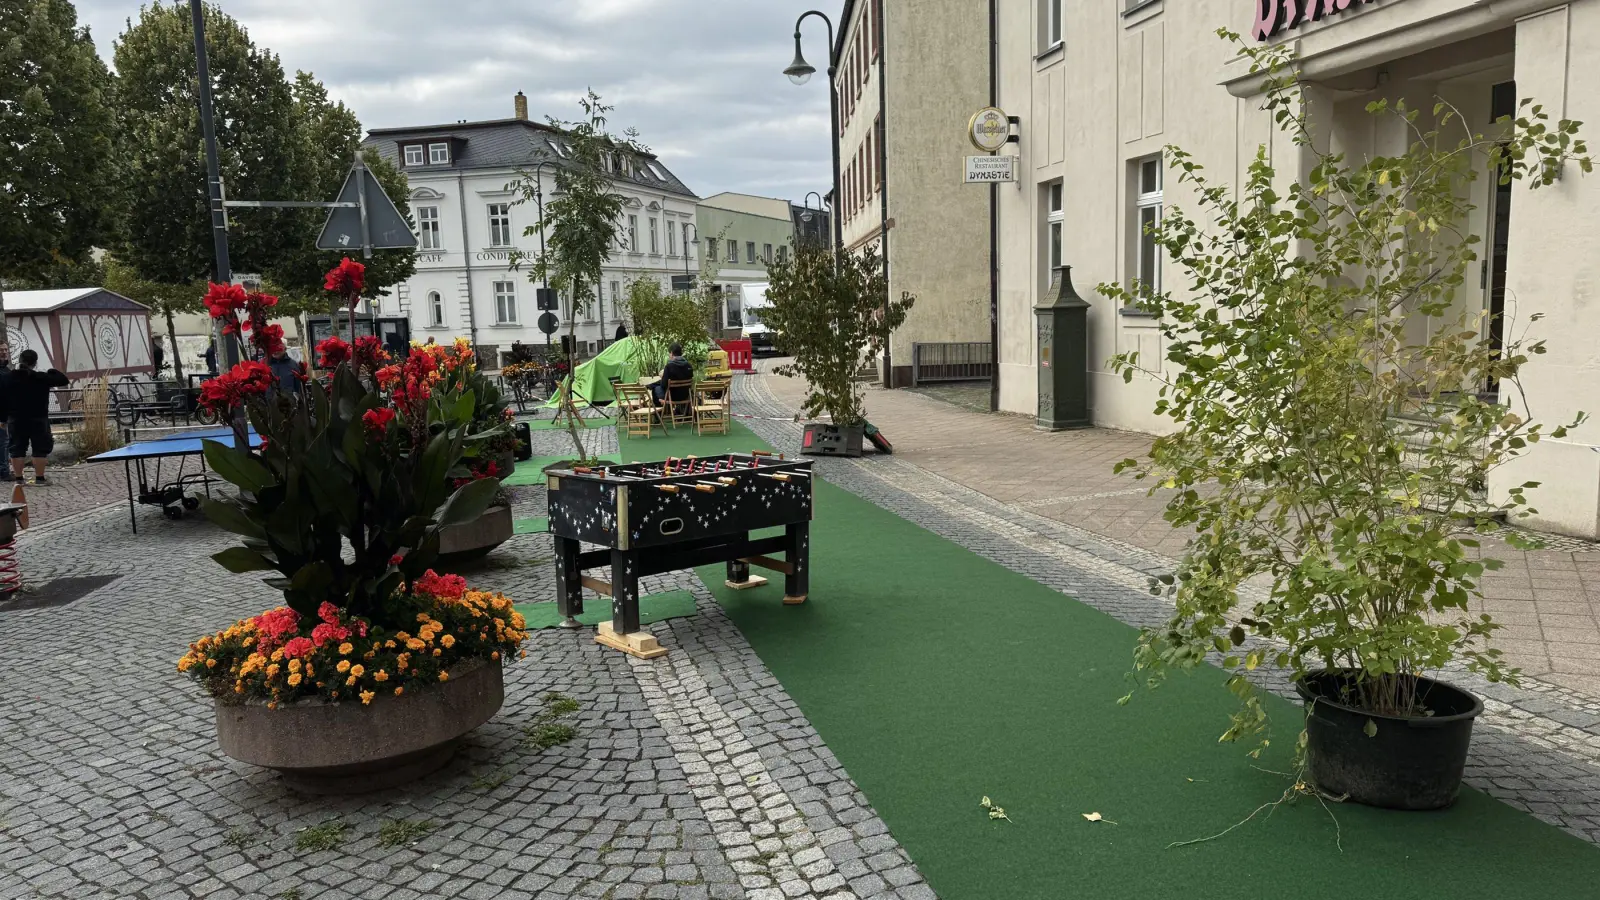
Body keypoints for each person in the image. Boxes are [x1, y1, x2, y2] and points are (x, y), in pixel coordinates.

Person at [7, 350, 68, 485]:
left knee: (17, 448)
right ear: (35, 362)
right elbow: (63, 380)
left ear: (20, 361)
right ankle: (40, 478)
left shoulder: (10, 377)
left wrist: (3, 416)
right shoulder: (41, 377)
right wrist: (51, 371)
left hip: (16, 418)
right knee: (40, 448)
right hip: (38, 417)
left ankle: (19, 479)